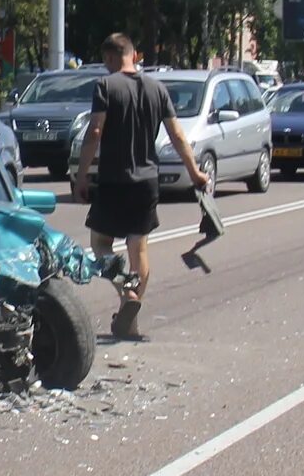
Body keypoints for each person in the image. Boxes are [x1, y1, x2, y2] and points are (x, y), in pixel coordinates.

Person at [72, 33, 209, 341]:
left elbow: (95, 130)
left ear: (109, 58)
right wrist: (196, 172)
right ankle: (130, 321)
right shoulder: (158, 89)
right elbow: (177, 136)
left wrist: (82, 176)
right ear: (134, 55)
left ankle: (125, 291)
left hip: (112, 180)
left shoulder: (105, 86)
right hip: (147, 181)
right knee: (139, 248)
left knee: (101, 244)